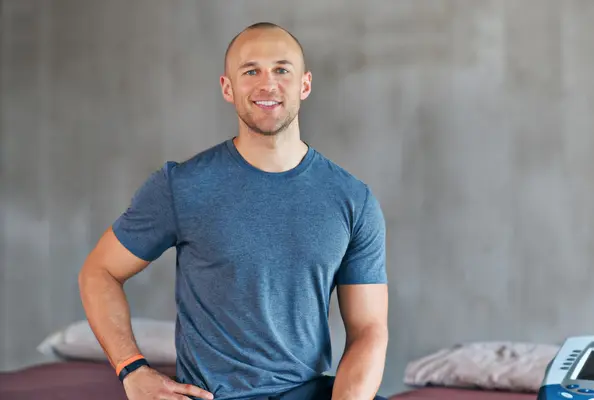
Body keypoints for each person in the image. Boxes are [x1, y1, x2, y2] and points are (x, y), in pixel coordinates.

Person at [78, 22, 389, 400]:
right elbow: (100, 271)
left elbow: (369, 330)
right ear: (228, 88)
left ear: (304, 85)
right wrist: (132, 369)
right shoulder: (182, 185)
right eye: (250, 71)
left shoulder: (353, 199)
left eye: (281, 69)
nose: (267, 84)